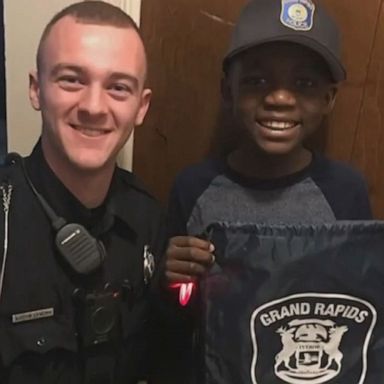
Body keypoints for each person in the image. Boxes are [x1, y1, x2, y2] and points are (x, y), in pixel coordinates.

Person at [163, 0, 373, 381]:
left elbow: (357, 306)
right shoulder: (193, 188)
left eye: (304, 83)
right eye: (257, 81)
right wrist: (176, 281)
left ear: (329, 99)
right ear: (228, 91)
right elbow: (176, 316)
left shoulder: (346, 191)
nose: (279, 98)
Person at [0, 1, 165, 383]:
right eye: (72, 79)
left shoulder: (148, 219)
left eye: (118, 87)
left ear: (141, 107)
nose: (94, 106)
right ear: (36, 89)